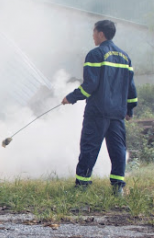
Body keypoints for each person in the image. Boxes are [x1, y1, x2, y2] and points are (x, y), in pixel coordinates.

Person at [62, 20, 137, 196]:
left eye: (94, 32)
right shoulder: (125, 57)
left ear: (101, 33)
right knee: (118, 148)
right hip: (117, 112)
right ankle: (118, 186)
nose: (93, 35)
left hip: (98, 111)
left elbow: (90, 85)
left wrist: (71, 98)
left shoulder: (95, 54)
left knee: (89, 147)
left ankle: (82, 186)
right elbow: (131, 88)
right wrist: (129, 109)